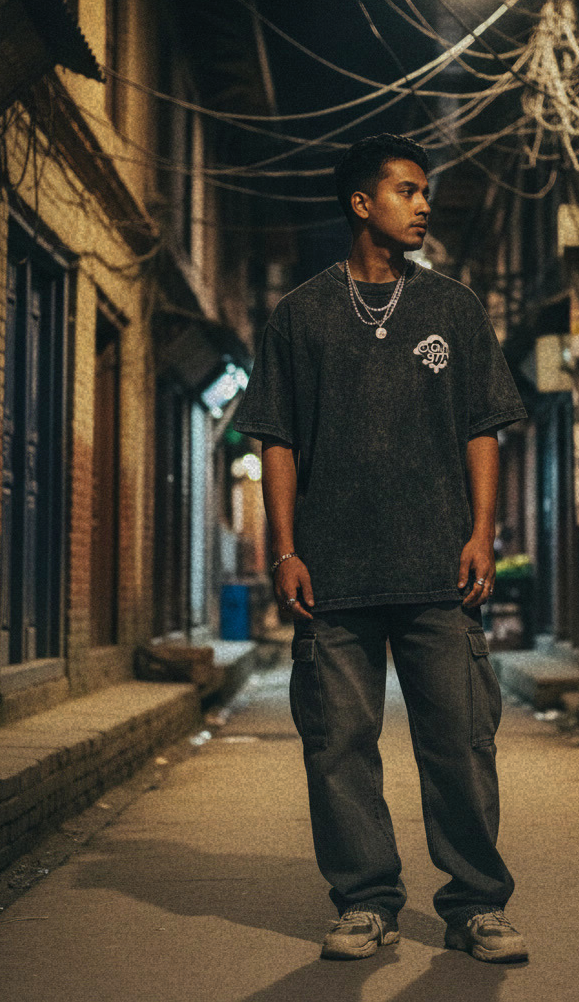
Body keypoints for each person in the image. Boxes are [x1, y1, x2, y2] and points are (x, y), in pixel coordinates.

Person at [234, 134, 529, 963]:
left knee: (461, 742)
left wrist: (481, 533)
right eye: (407, 190)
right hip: (333, 576)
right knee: (337, 746)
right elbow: (278, 439)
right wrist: (285, 549)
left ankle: (476, 903)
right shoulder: (301, 315)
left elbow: (482, 427)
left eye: (425, 190)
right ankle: (366, 901)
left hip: (440, 569)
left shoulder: (454, 308)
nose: (423, 203)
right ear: (362, 203)